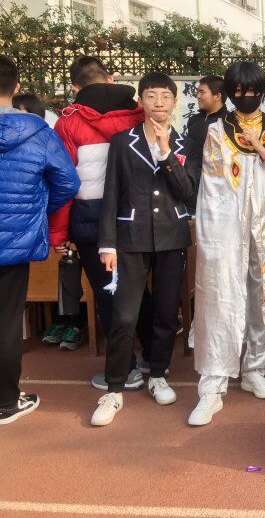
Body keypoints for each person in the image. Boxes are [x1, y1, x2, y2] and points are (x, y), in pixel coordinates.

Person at [90, 73, 199, 426]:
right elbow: (111, 192)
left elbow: (187, 191)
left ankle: (158, 374)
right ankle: (114, 388)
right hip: (129, 239)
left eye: (165, 96)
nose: (158, 102)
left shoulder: (184, 143)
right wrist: (107, 243)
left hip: (171, 237)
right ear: (141, 101)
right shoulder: (123, 142)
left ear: (175, 102)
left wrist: (167, 153)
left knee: (166, 313)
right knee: (124, 315)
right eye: (151, 95)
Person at [189, 61, 265, 426]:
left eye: (252, 91)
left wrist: (262, 150)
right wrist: (214, 235)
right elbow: (212, 186)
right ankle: (213, 383)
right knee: (222, 292)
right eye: (238, 92)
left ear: (262, 92)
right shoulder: (217, 130)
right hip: (227, 223)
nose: (245, 97)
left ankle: (254, 368)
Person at [48, 56, 151, 384]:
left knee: (108, 294)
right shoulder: (140, 114)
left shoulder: (68, 123)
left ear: (75, 86)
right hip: (138, 217)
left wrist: (59, 233)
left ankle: (125, 369)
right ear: (110, 78)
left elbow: (64, 181)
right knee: (139, 290)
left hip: (90, 220)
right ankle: (153, 360)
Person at [0, 55, 79, 425]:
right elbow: (68, 182)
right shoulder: (38, 132)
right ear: (16, 88)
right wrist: (38, 210)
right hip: (15, 239)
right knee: (7, 320)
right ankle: (5, 402)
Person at [185, 75, 227, 152]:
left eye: (202, 92)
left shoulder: (229, 122)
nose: (198, 96)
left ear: (217, 96)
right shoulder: (193, 120)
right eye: (198, 92)